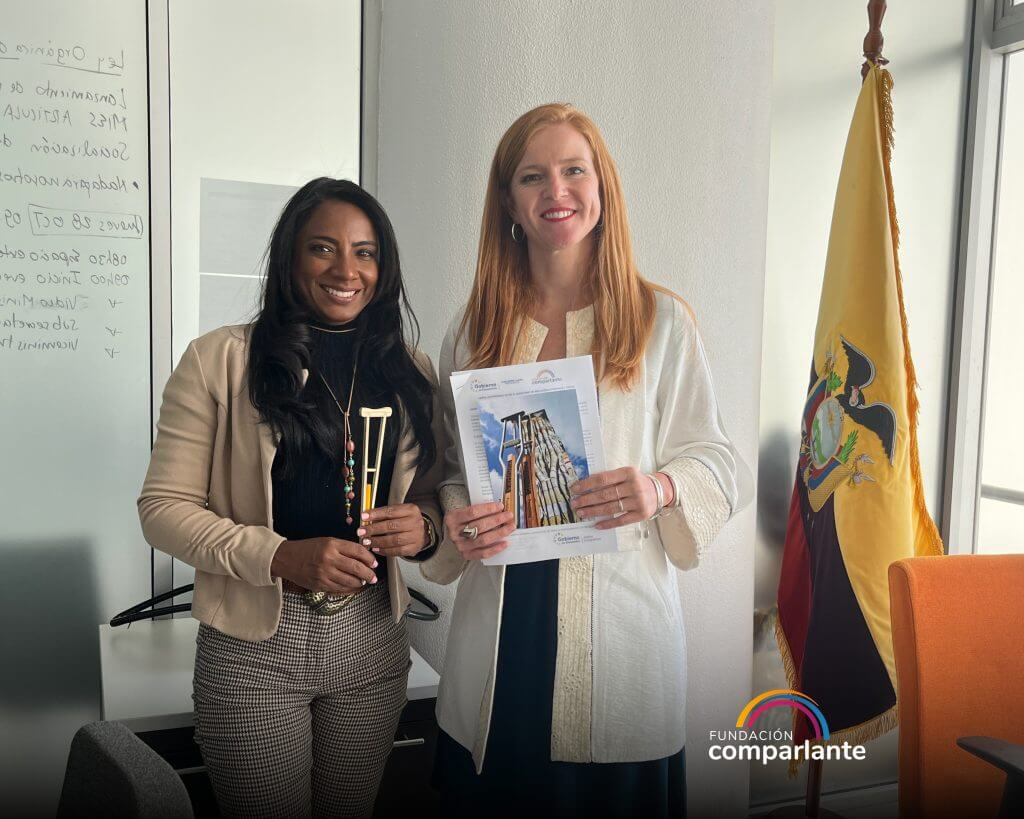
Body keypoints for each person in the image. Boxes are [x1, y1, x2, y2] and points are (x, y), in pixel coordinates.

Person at [421, 104, 752, 818]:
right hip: (503, 640)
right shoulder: (473, 326)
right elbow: (450, 468)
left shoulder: (661, 321)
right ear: (508, 201)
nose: (556, 191)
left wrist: (661, 487)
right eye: (532, 176)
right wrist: (460, 517)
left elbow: (721, 461)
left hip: (620, 634)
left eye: (575, 169)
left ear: (602, 188)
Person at [138, 178, 446, 819]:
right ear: (290, 258)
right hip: (255, 650)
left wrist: (425, 529)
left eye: (365, 253)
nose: (346, 270)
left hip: (371, 644)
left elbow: (437, 497)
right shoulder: (219, 360)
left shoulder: (409, 369)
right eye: (323, 249)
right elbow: (163, 509)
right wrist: (281, 556)